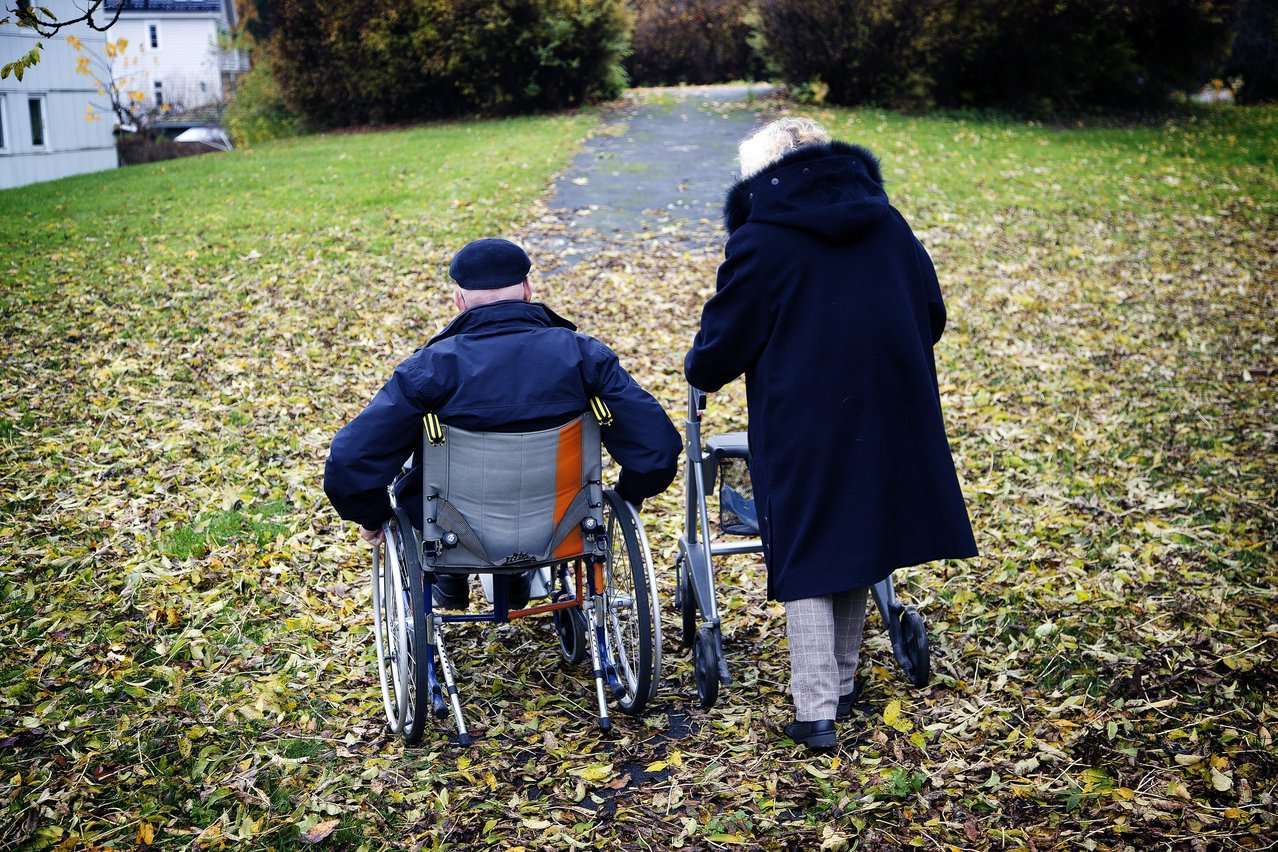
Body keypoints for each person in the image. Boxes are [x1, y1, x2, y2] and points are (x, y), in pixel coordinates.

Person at [685, 118, 977, 751]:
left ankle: (815, 708)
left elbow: (721, 349)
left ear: (762, 175)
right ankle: (840, 685)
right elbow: (933, 313)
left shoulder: (763, 241)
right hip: (892, 407)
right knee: (857, 531)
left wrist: (699, 366)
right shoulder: (887, 222)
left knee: (809, 544)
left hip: (804, 418)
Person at [325, 237, 682, 609]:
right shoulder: (583, 356)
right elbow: (656, 445)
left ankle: (452, 573)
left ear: (459, 301)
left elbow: (351, 459)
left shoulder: (430, 369)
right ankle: (517, 575)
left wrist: (371, 516)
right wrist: (631, 492)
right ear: (527, 290)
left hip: (452, 529)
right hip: (564, 521)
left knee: (415, 459)